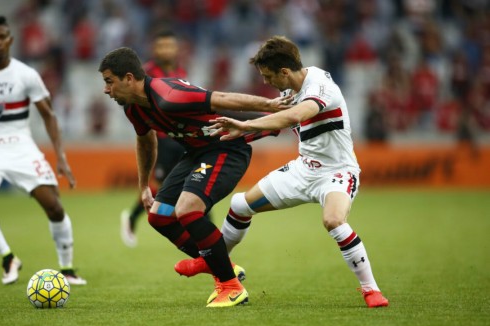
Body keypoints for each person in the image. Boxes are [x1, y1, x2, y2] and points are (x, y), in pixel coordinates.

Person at [177, 36, 389, 308]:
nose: (266, 82)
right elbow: (276, 124)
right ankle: (213, 263)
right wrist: (234, 135)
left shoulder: (320, 86)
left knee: (334, 220)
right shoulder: (290, 91)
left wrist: (245, 126)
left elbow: (294, 117)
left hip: (337, 172)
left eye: (268, 76)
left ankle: (371, 290)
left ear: (285, 72)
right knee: (240, 205)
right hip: (303, 169)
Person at [98, 46, 289, 307]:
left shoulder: (170, 96)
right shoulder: (134, 109)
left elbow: (220, 98)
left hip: (226, 148)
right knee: (160, 216)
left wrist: (269, 105)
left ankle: (231, 287)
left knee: (187, 209)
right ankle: (221, 264)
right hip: (196, 153)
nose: (106, 90)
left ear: (129, 78)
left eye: (109, 82)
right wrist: (144, 186)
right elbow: (145, 141)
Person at [0, 16, 86, 286]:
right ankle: (8, 258)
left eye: (2, 37)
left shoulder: (26, 74)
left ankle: (67, 268)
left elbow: (49, 116)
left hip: (21, 147)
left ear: (10, 40)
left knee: (54, 207)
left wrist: (61, 157)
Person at [120, 29, 189, 247]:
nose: (166, 50)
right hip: (159, 139)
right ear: (154, 49)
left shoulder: (180, 71)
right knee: (166, 186)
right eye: (161, 46)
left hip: (180, 137)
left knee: (189, 183)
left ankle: (133, 218)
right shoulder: (145, 73)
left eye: (170, 46)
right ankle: (131, 218)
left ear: (176, 49)